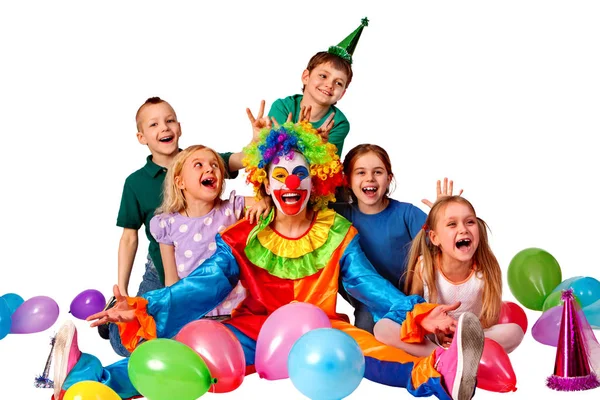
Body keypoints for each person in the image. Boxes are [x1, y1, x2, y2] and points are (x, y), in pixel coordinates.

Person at [51, 122, 485, 400]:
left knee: (366, 348)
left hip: (320, 328)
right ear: (264, 181)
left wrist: (419, 313)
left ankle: (440, 373)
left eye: (301, 174)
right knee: (186, 356)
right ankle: (85, 379)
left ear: (315, 181)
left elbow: (369, 285)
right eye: (280, 175)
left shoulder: (336, 232)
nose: (291, 184)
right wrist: (146, 306)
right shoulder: (242, 237)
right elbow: (199, 286)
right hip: (252, 329)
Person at [102, 97, 248, 356]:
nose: (164, 128)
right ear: (141, 136)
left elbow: (242, 159)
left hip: (207, 270)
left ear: (179, 127)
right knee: (132, 343)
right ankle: (116, 318)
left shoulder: (201, 162)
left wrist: (258, 142)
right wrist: (122, 288)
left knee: (205, 337)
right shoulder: (136, 183)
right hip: (162, 270)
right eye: (154, 124)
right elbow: (129, 238)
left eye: (170, 121)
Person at [374, 196, 524, 357]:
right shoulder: (424, 267)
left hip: (469, 337)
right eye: (452, 224)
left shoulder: (485, 271)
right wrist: (434, 332)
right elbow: (413, 311)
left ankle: (457, 354)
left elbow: (489, 319)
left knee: (514, 331)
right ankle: (439, 356)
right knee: (382, 327)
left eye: (470, 222)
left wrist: (461, 333)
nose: (463, 229)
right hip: (432, 339)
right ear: (434, 238)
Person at [333, 144, 460, 334]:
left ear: (389, 178)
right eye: (361, 172)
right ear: (348, 180)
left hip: (412, 298)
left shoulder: (406, 213)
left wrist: (444, 215)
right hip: (369, 304)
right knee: (368, 345)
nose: (370, 178)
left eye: (378, 172)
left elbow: (441, 246)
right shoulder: (339, 215)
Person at [150, 144, 271, 318]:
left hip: (236, 312)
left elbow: (274, 200)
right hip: (194, 315)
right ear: (180, 182)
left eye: (215, 165)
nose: (210, 169)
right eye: (198, 165)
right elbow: (171, 282)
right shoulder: (167, 224)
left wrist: (264, 202)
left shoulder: (232, 208)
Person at [268, 18, 369, 157]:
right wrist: (300, 136)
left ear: (343, 93)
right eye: (323, 76)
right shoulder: (282, 107)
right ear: (306, 77)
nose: (329, 85)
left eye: (338, 83)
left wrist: (320, 146)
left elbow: (327, 167)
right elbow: (271, 154)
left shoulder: (339, 123)